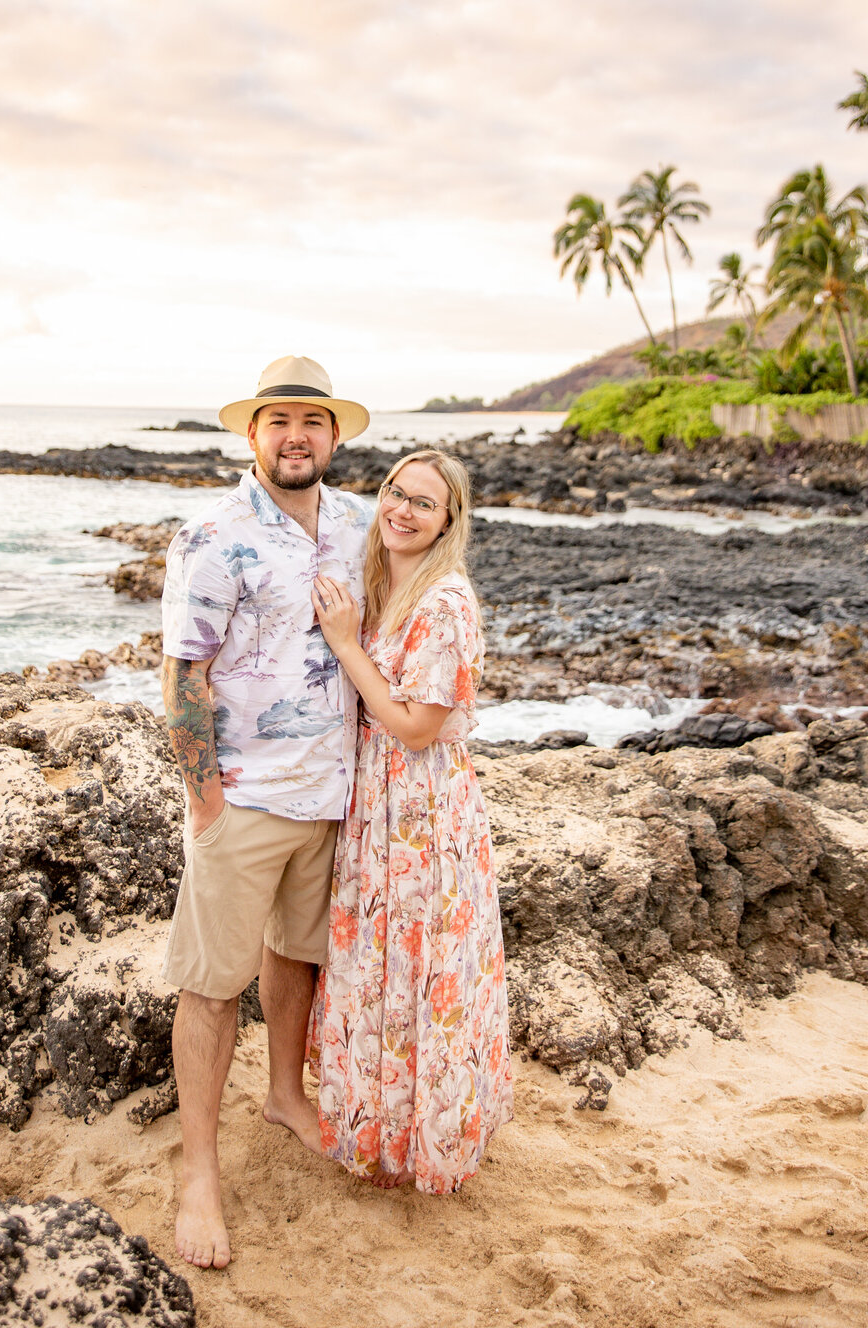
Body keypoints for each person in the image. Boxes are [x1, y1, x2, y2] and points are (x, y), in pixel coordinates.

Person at [159, 356, 371, 1270]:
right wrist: (206, 798)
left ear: (334, 436)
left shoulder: (362, 526)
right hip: (244, 798)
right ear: (252, 435)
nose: (296, 436)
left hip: (339, 795)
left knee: (299, 955)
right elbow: (182, 675)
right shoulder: (211, 533)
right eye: (279, 420)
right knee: (211, 984)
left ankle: (286, 1093)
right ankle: (197, 1173)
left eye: (313, 421)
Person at [309, 448, 514, 1193]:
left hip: (423, 811)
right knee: (379, 964)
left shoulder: (444, 602)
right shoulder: (383, 583)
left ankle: (421, 1138)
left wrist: (343, 644)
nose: (400, 508)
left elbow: (416, 725)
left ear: (448, 521)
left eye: (423, 503)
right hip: (379, 806)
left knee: (421, 968)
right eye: (395, 491)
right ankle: (382, 1132)